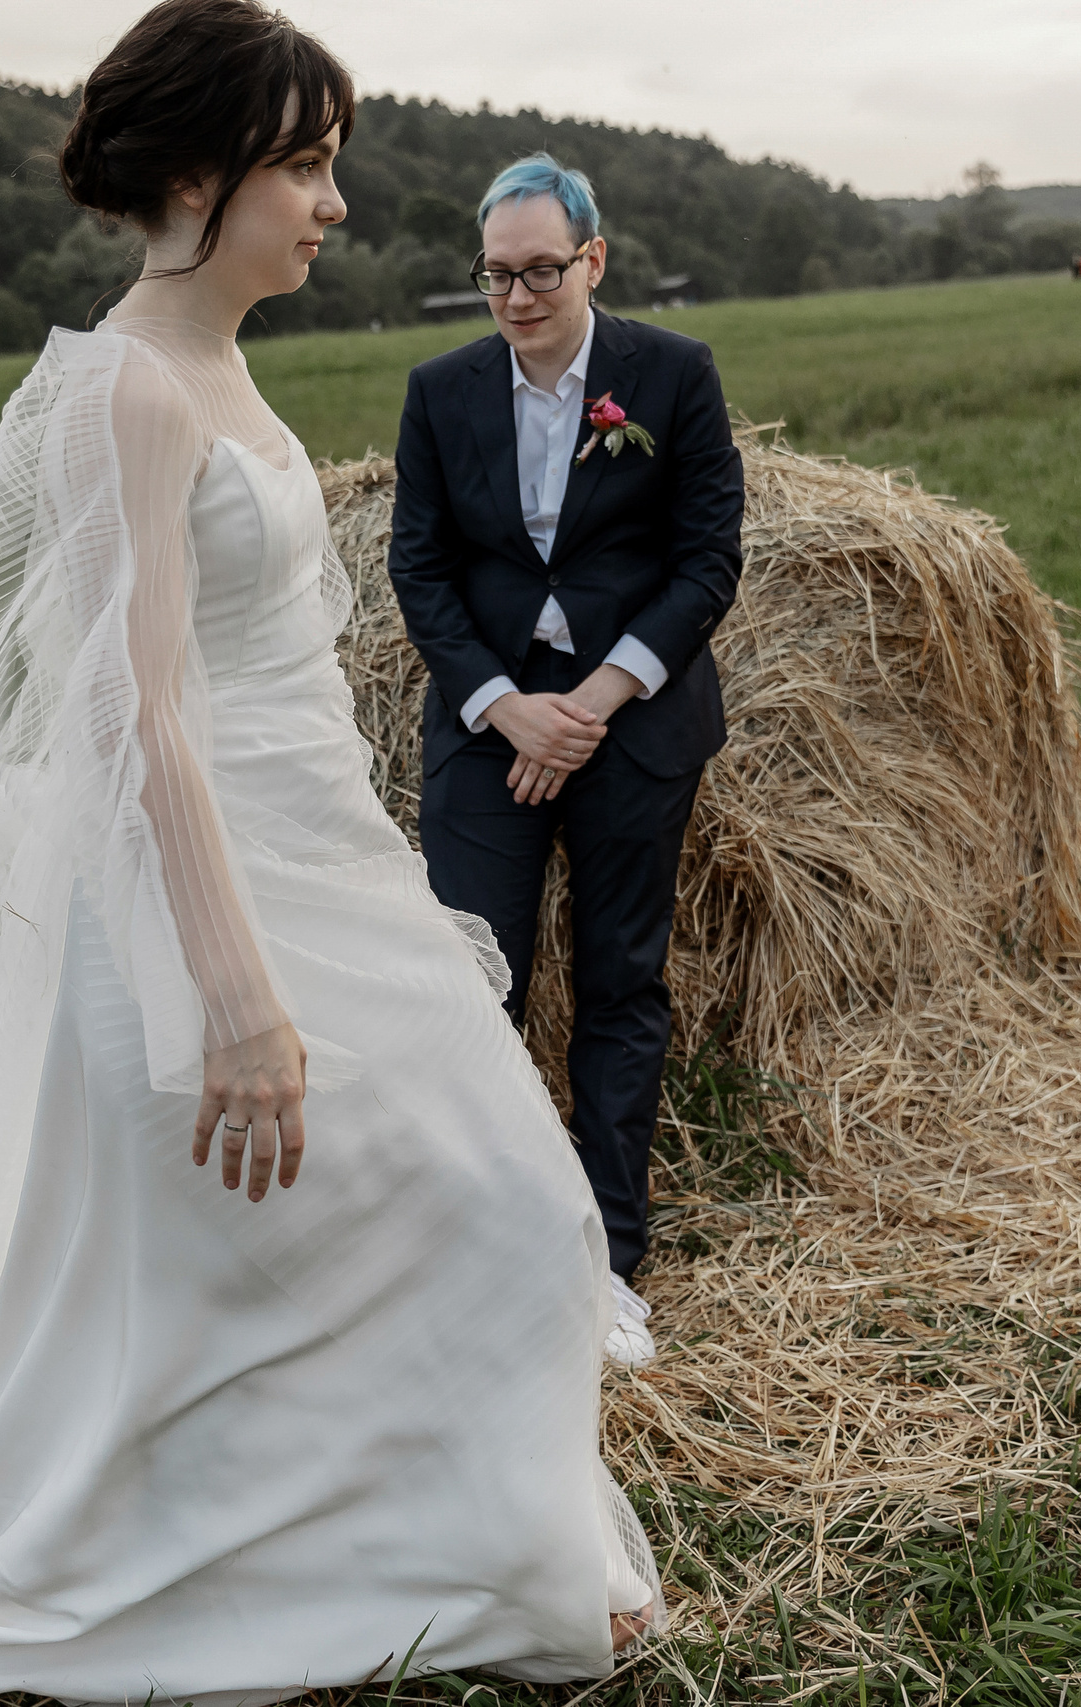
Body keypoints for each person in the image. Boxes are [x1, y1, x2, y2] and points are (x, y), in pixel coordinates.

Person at [0, 4, 662, 1701]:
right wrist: (233, 997)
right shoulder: (124, 387)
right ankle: (405, 1563)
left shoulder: (216, 360)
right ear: (198, 174)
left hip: (315, 838)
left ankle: (478, 1542)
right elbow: (136, 713)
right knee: (386, 1217)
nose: (337, 201)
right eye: (307, 164)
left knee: (505, 1198)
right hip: (209, 885)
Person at [387, 156, 745, 1368]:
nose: (517, 298)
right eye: (496, 275)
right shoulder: (439, 391)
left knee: (618, 984)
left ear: (594, 259)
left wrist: (589, 703)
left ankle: (606, 1266)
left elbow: (706, 560)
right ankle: (480, 1249)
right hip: (488, 723)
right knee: (471, 988)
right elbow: (420, 570)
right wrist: (506, 709)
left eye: (541, 271)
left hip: (630, 721)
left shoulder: (673, 373)